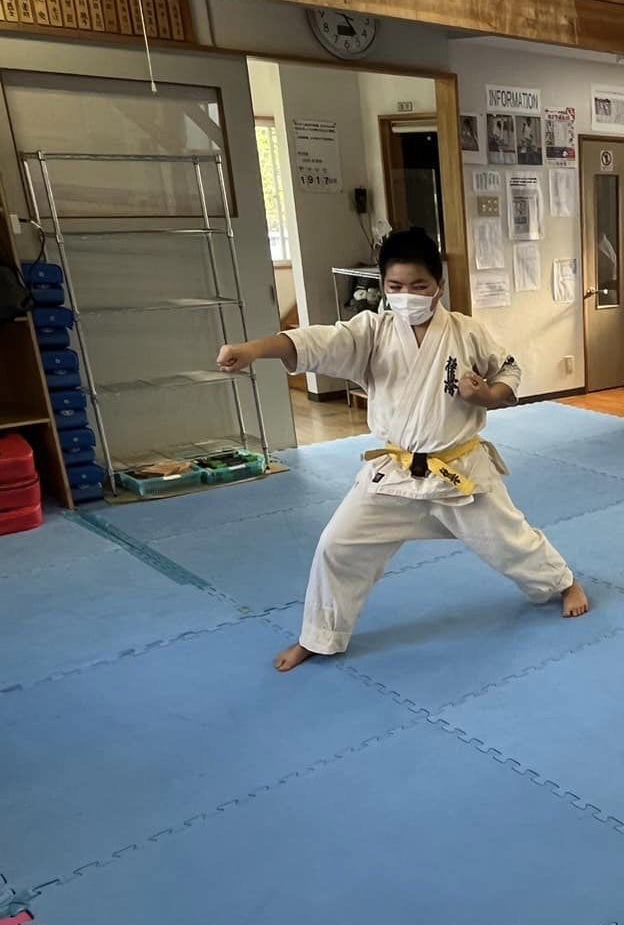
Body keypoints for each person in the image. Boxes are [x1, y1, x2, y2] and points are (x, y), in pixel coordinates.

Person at [216, 227, 589, 672]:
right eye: (394, 286)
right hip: (394, 475)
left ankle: (563, 584)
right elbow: (314, 341)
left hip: (458, 472)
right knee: (337, 545)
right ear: (382, 286)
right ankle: (320, 636)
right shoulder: (372, 332)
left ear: (438, 286)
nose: (406, 295)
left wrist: (487, 396)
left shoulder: (466, 332)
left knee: (510, 542)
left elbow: (509, 370)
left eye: (418, 286)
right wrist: (253, 349)